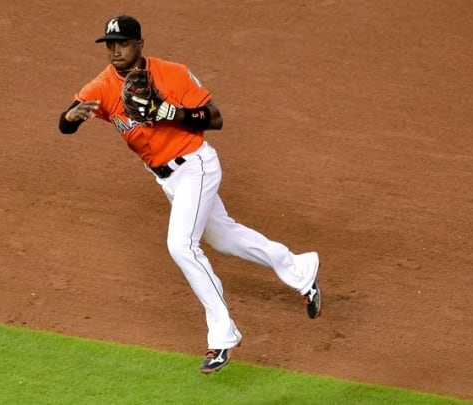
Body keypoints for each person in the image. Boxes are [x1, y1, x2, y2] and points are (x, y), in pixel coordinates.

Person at [58, 15, 321, 374]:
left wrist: (169, 111)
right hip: (167, 180)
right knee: (226, 238)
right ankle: (301, 269)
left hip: (196, 165)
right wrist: (71, 117)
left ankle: (222, 335)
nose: (115, 50)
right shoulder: (103, 86)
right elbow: (65, 121)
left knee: (181, 245)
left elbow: (215, 118)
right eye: (109, 44)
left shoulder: (173, 73)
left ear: (140, 45)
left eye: (122, 43)